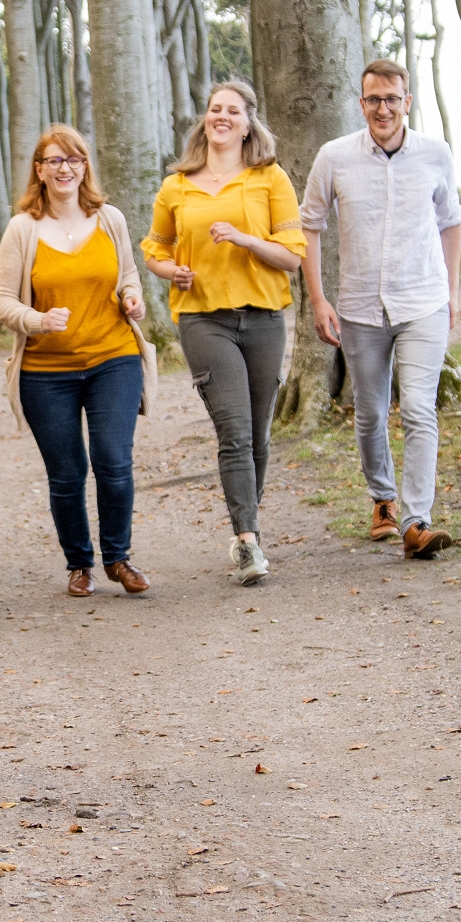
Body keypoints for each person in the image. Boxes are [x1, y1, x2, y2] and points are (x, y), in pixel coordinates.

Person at [142, 81, 306, 586]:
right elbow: (155, 248)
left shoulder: (269, 178)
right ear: (205, 120)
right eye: (215, 109)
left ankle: (244, 528)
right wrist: (173, 273)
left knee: (257, 435)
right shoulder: (178, 184)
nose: (222, 117)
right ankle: (248, 542)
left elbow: (292, 257)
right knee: (233, 430)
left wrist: (245, 239)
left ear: (248, 122)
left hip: (262, 318)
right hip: (204, 319)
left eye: (232, 111)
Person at [302, 58, 461, 561]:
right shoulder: (334, 157)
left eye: (392, 99)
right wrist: (318, 298)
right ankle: (383, 499)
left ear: (407, 102)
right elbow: (309, 224)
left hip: (423, 301)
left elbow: (451, 221)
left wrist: (452, 291)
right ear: (361, 103)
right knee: (370, 413)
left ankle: (417, 521)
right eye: (373, 99)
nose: (383, 108)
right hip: (359, 308)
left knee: (418, 408)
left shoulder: (436, 154)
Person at [0, 124, 158, 597]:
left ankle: (118, 559)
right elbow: (0, 300)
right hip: (46, 373)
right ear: (39, 171)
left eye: (74, 159)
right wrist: (37, 320)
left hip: (113, 357)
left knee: (113, 459)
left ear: (85, 166)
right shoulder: (23, 229)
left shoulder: (110, 219)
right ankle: (79, 562)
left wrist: (131, 297)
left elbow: (127, 274)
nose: (65, 168)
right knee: (66, 472)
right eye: (54, 161)